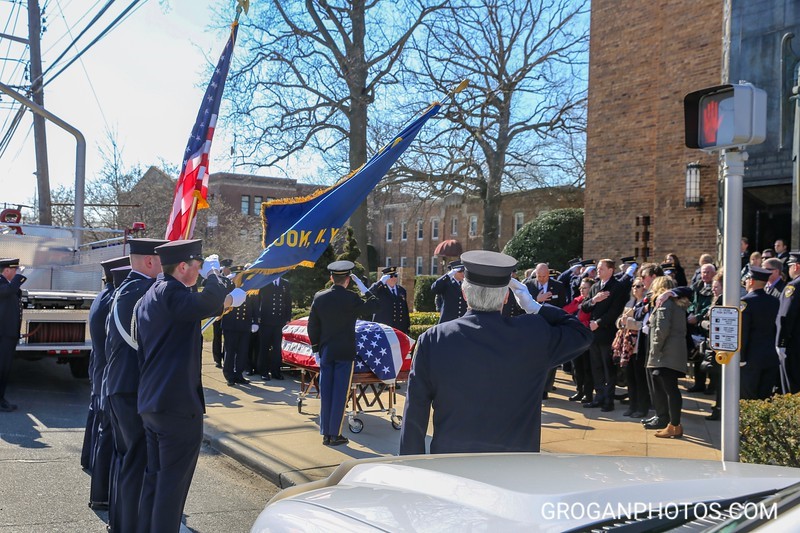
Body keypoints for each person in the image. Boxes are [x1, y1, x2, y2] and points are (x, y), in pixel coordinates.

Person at [399, 250, 592, 455]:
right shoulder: (532, 333)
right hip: (515, 465)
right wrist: (536, 307)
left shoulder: (434, 338)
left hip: (452, 463)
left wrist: (411, 466)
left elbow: (415, 411)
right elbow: (581, 334)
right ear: (507, 296)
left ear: (464, 294)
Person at [136, 239, 245, 533]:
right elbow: (208, 301)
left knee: (156, 481)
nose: (200, 271)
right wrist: (215, 276)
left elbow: (203, 306)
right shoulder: (173, 295)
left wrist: (226, 296)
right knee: (172, 490)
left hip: (153, 402)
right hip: (176, 407)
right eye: (197, 265)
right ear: (183, 266)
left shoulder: (153, 294)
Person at [104, 238, 166, 532]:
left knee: (126, 460)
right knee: (136, 463)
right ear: (151, 262)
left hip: (120, 384)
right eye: (163, 260)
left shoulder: (125, 288)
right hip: (131, 388)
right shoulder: (141, 291)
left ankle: (120, 523)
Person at [308, 261, 378, 446]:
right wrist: (364, 287)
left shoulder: (319, 297)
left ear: (331, 278)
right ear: (348, 280)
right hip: (345, 352)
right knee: (339, 393)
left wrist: (316, 349)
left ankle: (325, 434)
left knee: (326, 393)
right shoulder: (351, 298)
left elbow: (312, 326)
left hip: (326, 351)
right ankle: (335, 435)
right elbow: (375, 306)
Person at [81, 255, 129, 471]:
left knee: (96, 416)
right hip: (105, 367)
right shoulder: (112, 299)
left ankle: (88, 459)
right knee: (105, 425)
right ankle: (99, 475)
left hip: (99, 365)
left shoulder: (103, 295)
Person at [580, 258, 629, 412]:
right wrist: (594, 300)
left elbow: (615, 311)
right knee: (596, 367)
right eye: (598, 268)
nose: (598, 270)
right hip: (594, 334)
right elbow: (585, 307)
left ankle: (609, 400)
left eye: (601, 268)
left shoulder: (618, 287)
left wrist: (599, 323)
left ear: (610, 270)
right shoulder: (595, 287)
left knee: (608, 368)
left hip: (607, 333)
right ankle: (599, 396)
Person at [647, 275, 689, 439]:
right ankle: (674, 424)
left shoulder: (665, 302)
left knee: (670, 390)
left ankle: (674, 425)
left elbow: (661, 329)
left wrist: (655, 350)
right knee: (672, 389)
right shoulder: (678, 302)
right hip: (674, 351)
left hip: (666, 353)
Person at [739, 266, 779, 400]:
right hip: (770, 356)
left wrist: (741, 358)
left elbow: (743, 332)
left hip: (751, 358)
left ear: (750, 281)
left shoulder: (745, 302)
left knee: (748, 397)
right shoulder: (774, 301)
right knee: (765, 398)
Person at [563, 278, 595, 402]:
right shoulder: (578, 300)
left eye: (585, 288)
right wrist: (578, 305)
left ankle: (588, 393)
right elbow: (565, 310)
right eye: (581, 288)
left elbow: (587, 319)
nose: (581, 290)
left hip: (586, 337)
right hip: (575, 338)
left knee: (587, 367)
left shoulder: (592, 302)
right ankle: (579, 391)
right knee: (576, 367)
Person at [0, 258, 25, 413]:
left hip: (7, 335)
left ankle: (1, 398)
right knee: (2, 369)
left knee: (5, 369)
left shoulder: (6, 284)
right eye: (15, 270)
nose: (16, 273)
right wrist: (19, 278)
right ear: (7, 270)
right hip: (3, 335)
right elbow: (8, 291)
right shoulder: (2, 284)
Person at [256, 275, 292, 380]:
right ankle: (263, 371)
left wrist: (288, 318)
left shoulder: (285, 283)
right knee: (264, 347)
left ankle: (276, 371)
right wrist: (257, 317)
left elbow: (288, 302)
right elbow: (258, 300)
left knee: (277, 348)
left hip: (279, 321)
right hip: (265, 320)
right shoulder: (265, 282)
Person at [776, 252, 800, 394]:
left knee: (791, 387)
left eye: (790, 266)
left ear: (796, 266)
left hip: (793, 345)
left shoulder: (793, 287)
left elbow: (785, 316)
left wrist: (781, 343)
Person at [369, 266, 411, 334]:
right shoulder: (380, 289)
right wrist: (380, 282)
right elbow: (369, 293)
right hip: (384, 328)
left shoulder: (401, 290)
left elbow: (405, 310)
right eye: (391, 276)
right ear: (385, 278)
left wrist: (407, 326)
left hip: (399, 328)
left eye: (395, 275)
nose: (393, 278)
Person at [210, 259, 235, 369]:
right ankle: (217, 359)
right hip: (217, 312)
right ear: (223, 268)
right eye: (227, 267)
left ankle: (225, 358)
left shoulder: (231, 280)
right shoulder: (216, 278)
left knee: (227, 338)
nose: (228, 270)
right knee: (217, 336)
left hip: (227, 312)